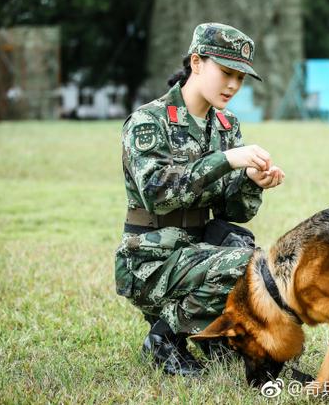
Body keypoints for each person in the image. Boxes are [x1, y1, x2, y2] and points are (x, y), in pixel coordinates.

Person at [114, 23, 284, 376]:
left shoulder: (226, 125)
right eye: (226, 73)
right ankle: (164, 338)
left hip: (199, 251)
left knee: (253, 256)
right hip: (152, 260)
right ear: (196, 62)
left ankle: (209, 335)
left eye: (241, 77)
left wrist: (251, 182)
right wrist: (226, 160)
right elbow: (157, 194)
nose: (234, 85)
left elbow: (232, 211)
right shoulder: (149, 121)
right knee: (246, 264)